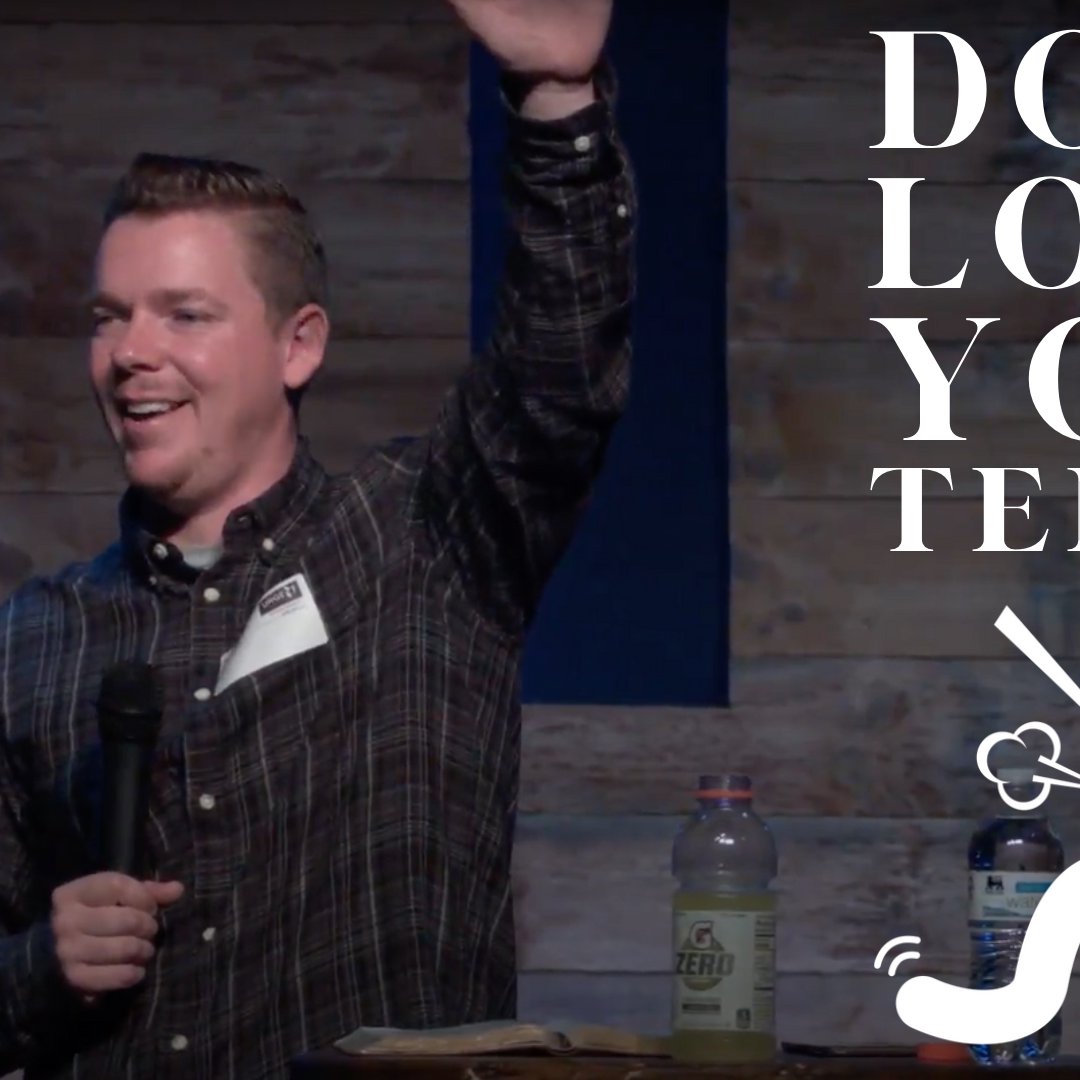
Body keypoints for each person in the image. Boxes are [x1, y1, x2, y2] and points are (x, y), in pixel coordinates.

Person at [0, 1, 634, 1077]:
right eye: (110, 316)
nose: (131, 352)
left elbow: (560, 376)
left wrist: (558, 104)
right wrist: (38, 969)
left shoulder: (425, 542)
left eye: (184, 314)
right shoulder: (35, 637)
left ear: (298, 346)